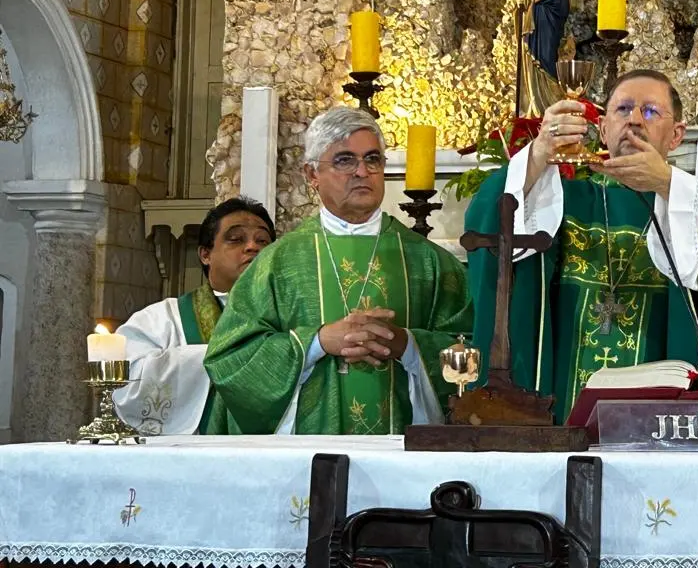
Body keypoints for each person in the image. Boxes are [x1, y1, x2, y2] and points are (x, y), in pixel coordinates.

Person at [465, 69, 698, 423]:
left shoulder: (692, 211)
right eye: (623, 109)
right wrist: (538, 153)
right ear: (602, 128)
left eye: (650, 112)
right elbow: (492, 219)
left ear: (676, 136)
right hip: (560, 412)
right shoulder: (557, 202)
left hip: (657, 424)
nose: (634, 121)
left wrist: (666, 183)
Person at [205, 107, 473, 434]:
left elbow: (472, 359)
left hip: (404, 455)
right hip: (307, 457)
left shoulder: (429, 262)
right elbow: (231, 361)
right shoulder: (276, 264)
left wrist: (409, 347)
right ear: (312, 175)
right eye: (345, 160)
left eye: (373, 159)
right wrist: (316, 342)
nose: (362, 171)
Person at [113, 197, 276, 435]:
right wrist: (226, 359)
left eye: (263, 241)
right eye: (236, 239)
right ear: (205, 254)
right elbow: (127, 383)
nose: (253, 247)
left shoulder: (292, 316)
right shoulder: (162, 319)